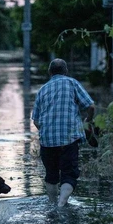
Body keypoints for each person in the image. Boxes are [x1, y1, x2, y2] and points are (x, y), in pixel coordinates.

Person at [31, 58, 95, 207]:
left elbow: (36, 121)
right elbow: (91, 107)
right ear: (66, 71)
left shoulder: (42, 90)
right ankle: (61, 204)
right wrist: (88, 122)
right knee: (69, 173)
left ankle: (53, 205)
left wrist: (48, 131)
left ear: (49, 72)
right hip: (69, 138)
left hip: (47, 141)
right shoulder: (72, 83)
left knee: (51, 175)